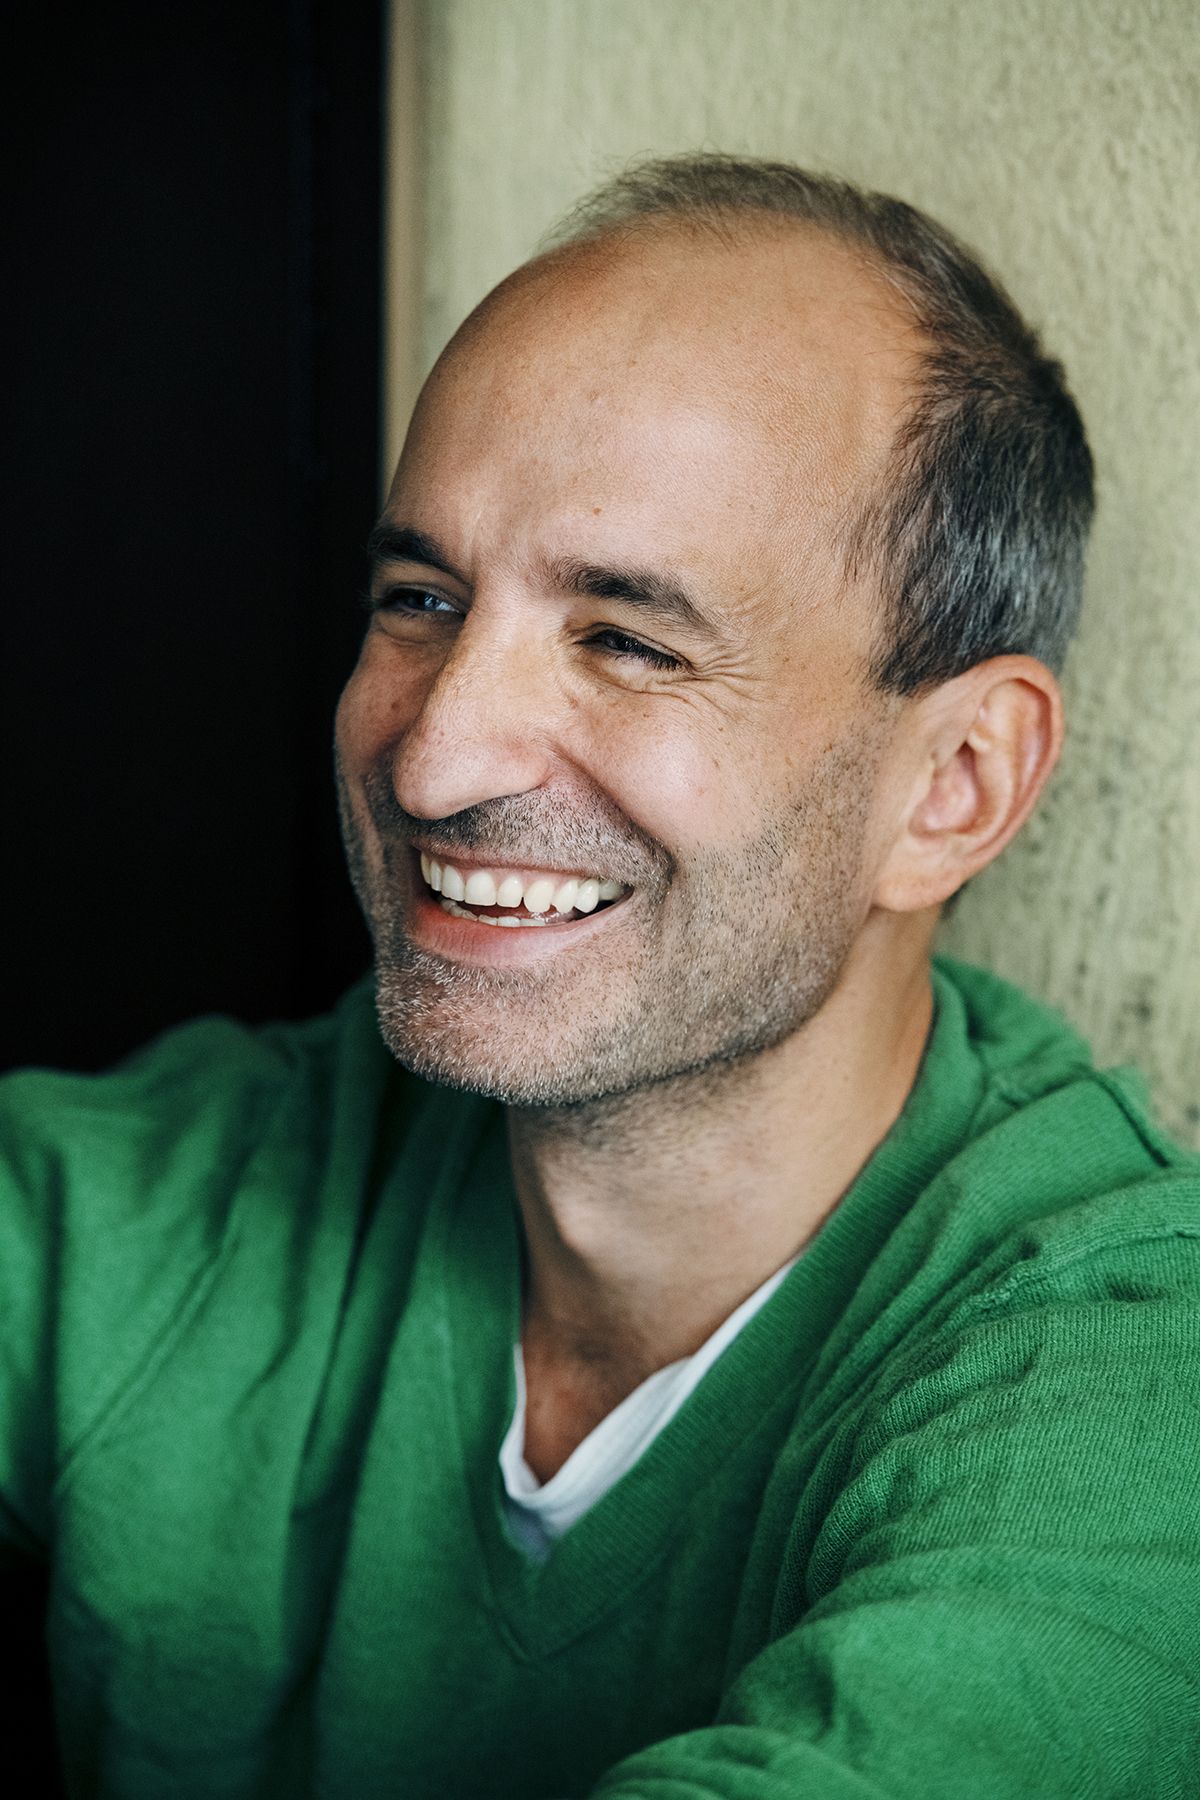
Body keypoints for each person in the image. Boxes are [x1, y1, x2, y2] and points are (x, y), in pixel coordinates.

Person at [3, 153, 1198, 1799]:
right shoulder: (199, 1193)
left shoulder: (1125, 1381)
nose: (433, 761)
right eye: (421, 598)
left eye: (628, 640)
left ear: (955, 785)